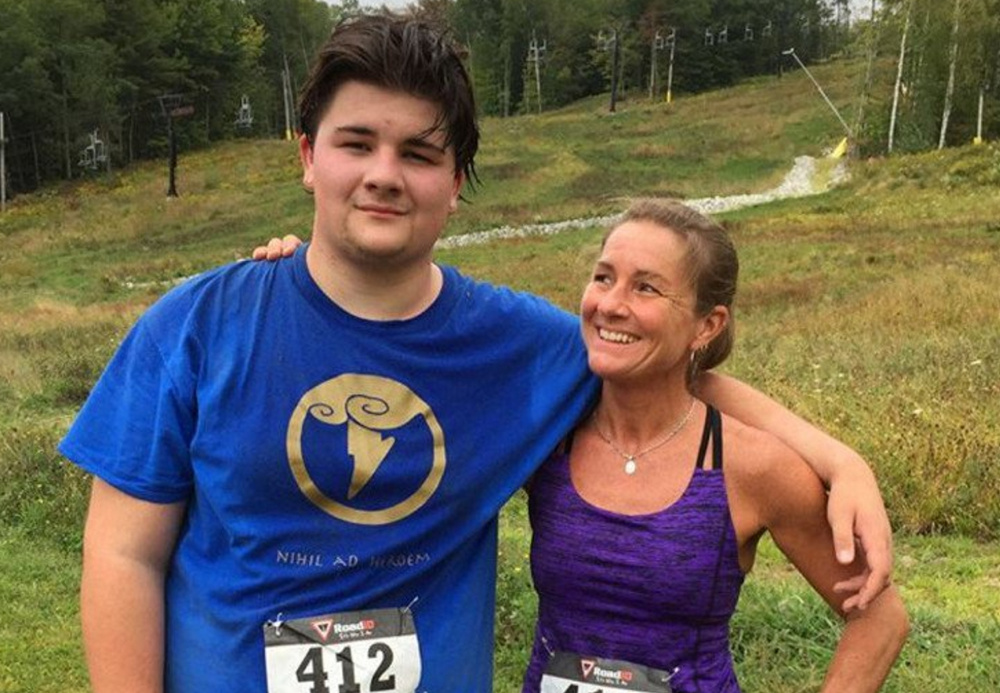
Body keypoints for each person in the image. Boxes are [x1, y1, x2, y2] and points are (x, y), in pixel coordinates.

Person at [62, 13, 889, 693]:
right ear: (309, 157)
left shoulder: (518, 345)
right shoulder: (194, 326)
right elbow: (124, 552)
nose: (385, 174)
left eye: (419, 153)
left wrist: (839, 460)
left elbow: (665, 370)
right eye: (357, 143)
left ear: (456, 181)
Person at [521, 199, 908, 693]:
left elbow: (880, 619)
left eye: (645, 287)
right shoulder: (546, 436)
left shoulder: (750, 465)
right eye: (603, 277)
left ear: (708, 325)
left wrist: (845, 464)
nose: (611, 304)